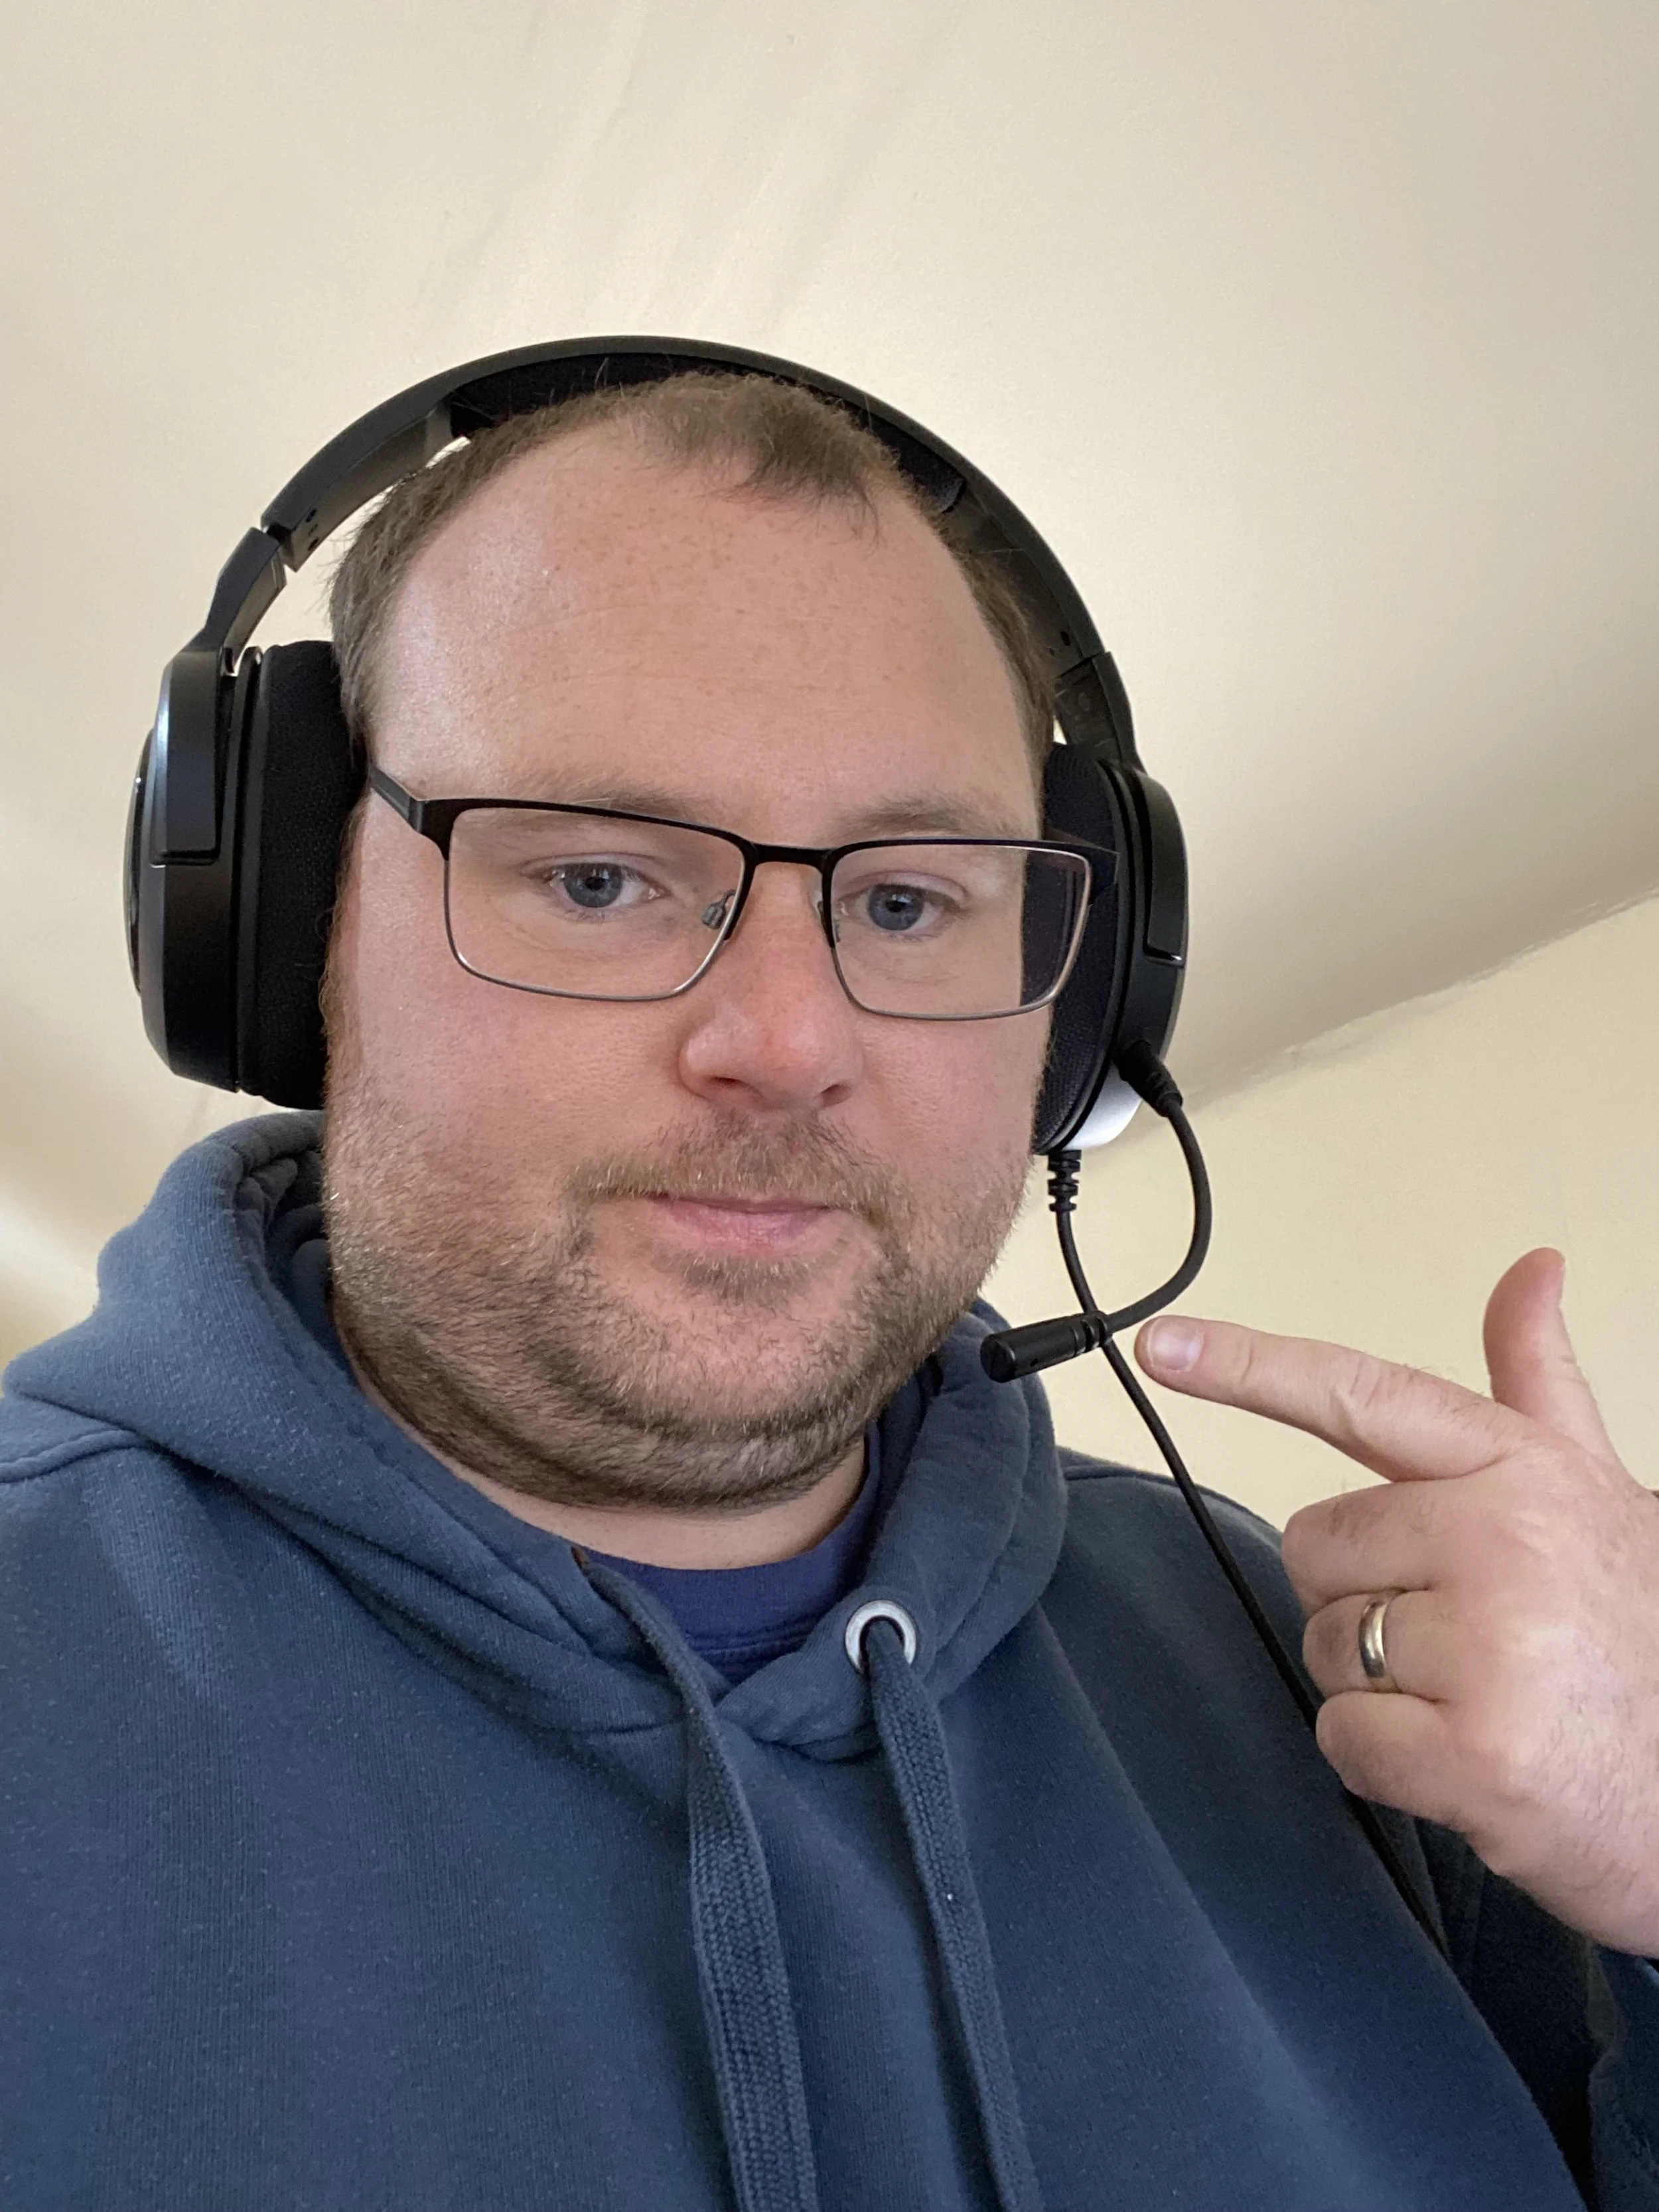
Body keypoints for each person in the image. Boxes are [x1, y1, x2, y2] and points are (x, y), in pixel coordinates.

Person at [3, 369, 1656, 2212]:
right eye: (599, 876)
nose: (788, 1045)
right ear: (283, 919)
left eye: (905, 903)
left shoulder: (1303, 1658)